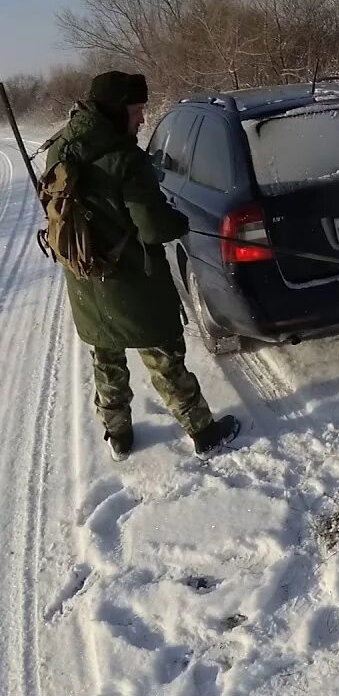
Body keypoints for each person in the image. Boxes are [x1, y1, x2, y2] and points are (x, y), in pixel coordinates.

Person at [43, 70, 238, 460]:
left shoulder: (61, 146)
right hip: (132, 279)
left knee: (106, 356)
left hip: (85, 278)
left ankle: (119, 436)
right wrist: (179, 221)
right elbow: (153, 228)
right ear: (116, 110)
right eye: (136, 110)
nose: (142, 119)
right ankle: (202, 431)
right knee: (164, 357)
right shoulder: (125, 159)